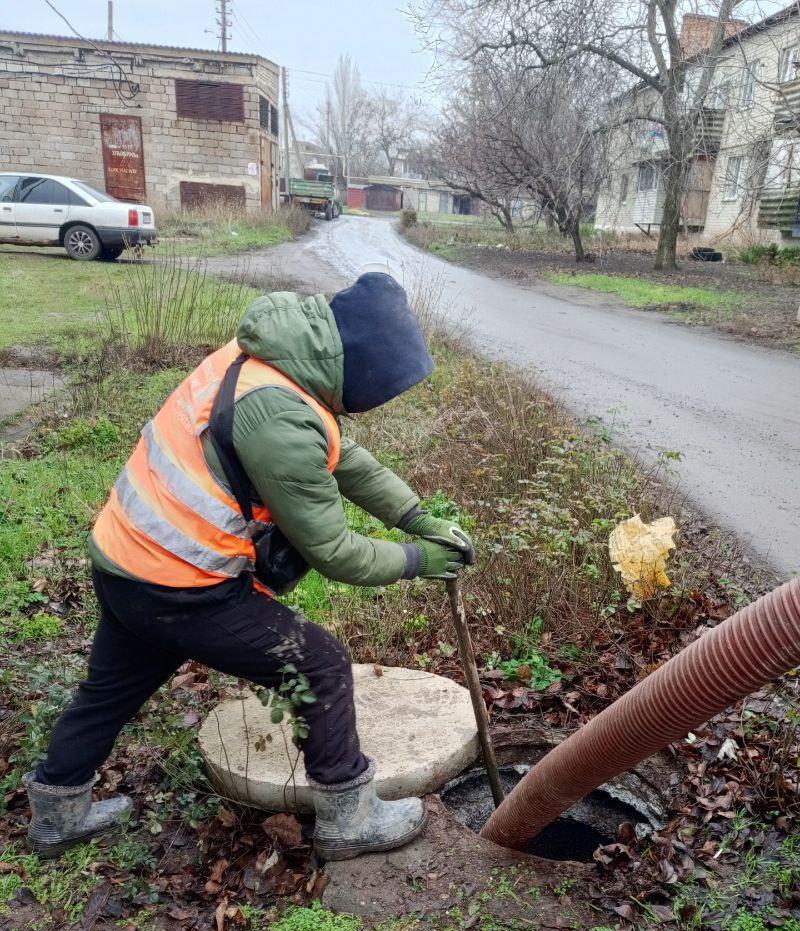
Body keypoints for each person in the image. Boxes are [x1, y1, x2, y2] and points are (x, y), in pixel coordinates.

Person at [24, 273, 473, 861]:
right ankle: (348, 818)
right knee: (321, 665)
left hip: (125, 559)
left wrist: (415, 516)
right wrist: (419, 560)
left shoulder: (270, 360)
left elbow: (344, 457)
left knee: (111, 689)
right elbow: (335, 551)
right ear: (359, 372)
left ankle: (56, 814)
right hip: (180, 586)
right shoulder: (280, 419)